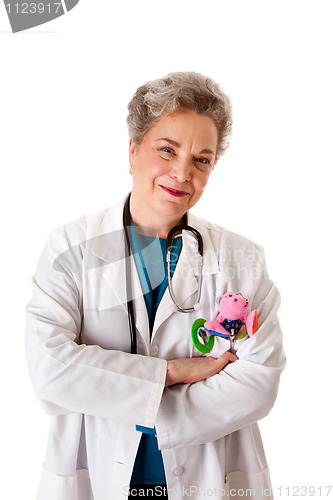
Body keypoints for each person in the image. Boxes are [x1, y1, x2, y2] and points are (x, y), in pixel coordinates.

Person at [25, 72, 286, 500]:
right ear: (132, 150)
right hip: (98, 478)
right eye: (167, 150)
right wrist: (169, 373)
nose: (182, 173)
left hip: (210, 477)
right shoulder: (72, 248)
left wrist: (130, 397)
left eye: (202, 159)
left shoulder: (242, 259)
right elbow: (50, 370)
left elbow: (260, 380)